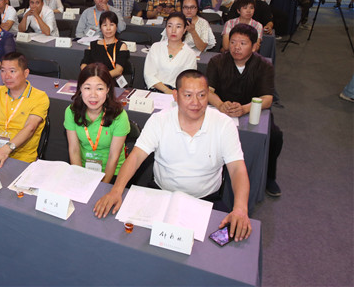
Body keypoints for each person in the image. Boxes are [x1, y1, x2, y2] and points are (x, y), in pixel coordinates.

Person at [94, 69, 252, 243]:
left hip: (206, 201)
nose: (196, 102)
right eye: (188, 95)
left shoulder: (223, 124)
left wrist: (240, 208)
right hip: (161, 195)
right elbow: (136, 157)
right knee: (134, 241)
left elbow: (237, 169)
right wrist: (116, 190)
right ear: (175, 96)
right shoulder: (159, 120)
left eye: (201, 95)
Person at [207, 23, 284, 197]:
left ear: (254, 46)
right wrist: (220, 104)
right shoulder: (217, 61)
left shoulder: (264, 65)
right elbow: (208, 91)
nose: (236, 47)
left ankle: (269, 176)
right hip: (222, 108)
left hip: (252, 109)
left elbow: (267, 98)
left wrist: (244, 109)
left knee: (275, 136)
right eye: (233, 42)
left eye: (243, 43)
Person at [65, 63, 130, 183]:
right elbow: (74, 150)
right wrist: (79, 179)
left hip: (113, 172)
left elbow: (113, 157)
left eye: (99, 89)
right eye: (87, 88)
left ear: (108, 89)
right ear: (80, 88)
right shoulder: (71, 111)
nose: (93, 95)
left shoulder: (119, 115)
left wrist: (102, 186)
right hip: (83, 169)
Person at [144, 12, 197, 93]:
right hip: (155, 91)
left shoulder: (190, 54)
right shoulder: (156, 47)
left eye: (178, 27)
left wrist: (173, 93)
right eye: (170, 26)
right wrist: (166, 90)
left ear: (184, 30)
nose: (173, 30)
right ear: (166, 28)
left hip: (177, 93)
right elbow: (148, 75)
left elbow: (188, 81)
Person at [80, 11, 131, 87]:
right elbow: (84, 64)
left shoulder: (121, 46)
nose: (108, 28)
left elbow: (118, 70)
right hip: (94, 82)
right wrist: (91, 76)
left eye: (111, 25)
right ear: (100, 27)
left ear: (116, 27)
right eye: (105, 25)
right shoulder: (93, 45)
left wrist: (99, 78)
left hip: (113, 83)